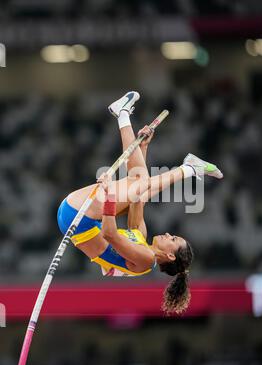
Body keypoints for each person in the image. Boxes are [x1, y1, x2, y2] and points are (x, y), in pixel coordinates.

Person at [57, 92, 223, 314]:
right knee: (141, 186)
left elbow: (110, 235)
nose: (167, 234)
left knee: (142, 183)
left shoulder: (146, 260)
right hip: (80, 216)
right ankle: (123, 114)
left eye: (172, 239)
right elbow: (138, 193)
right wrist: (142, 147)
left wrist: (109, 196)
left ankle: (189, 168)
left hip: (78, 218)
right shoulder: (140, 236)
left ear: (171, 255)